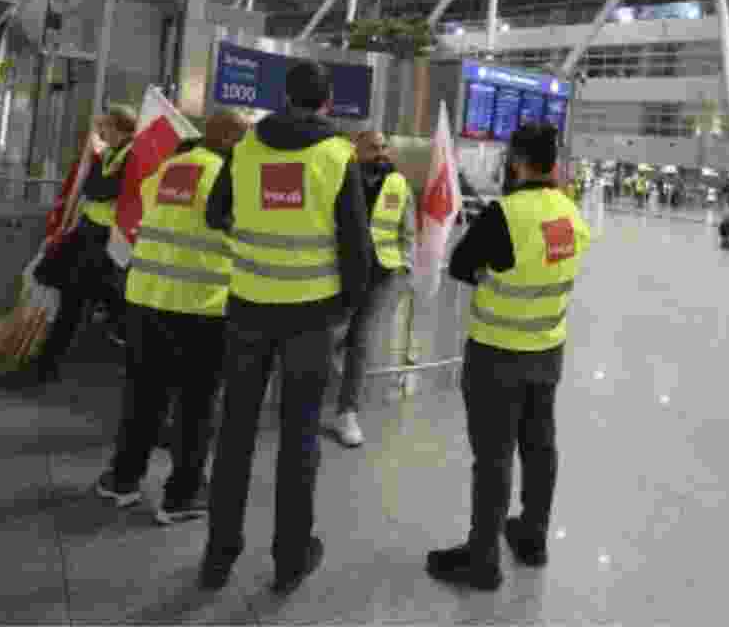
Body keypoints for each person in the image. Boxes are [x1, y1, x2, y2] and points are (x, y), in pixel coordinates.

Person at [198, 62, 372, 595]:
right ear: (326, 103)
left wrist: (257, 235)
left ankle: (218, 557)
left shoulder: (246, 148)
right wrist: (348, 306)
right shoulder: (336, 155)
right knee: (299, 440)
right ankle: (290, 559)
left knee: (235, 434)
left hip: (249, 306)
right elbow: (356, 247)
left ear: (284, 95)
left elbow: (214, 214)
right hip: (312, 318)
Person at [427, 122, 590, 591]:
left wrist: (495, 277)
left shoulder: (506, 213)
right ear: (554, 161)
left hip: (498, 352)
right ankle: (532, 538)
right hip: (547, 349)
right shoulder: (569, 212)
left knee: (494, 456)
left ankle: (482, 560)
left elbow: (460, 264)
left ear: (517, 161)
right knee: (540, 447)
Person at [93, 109, 249, 524]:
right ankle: (182, 496)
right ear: (230, 139)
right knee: (197, 406)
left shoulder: (166, 171)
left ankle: (122, 479)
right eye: (244, 136)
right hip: (203, 306)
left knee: (143, 398)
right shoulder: (228, 178)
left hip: (146, 300)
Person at [0, 105, 138, 392]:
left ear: (121, 128)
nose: (101, 133)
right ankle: (47, 365)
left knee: (81, 303)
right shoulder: (114, 153)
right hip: (91, 236)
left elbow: (101, 189)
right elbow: (95, 187)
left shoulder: (129, 155)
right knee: (68, 293)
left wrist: (94, 163)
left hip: (105, 242)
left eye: (106, 127)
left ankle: (47, 366)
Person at [331, 130, 414, 448]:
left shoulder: (398, 183)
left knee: (362, 341)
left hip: (382, 274)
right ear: (356, 150)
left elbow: (408, 229)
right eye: (372, 148)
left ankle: (347, 411)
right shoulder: (340, 178)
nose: (380, 153)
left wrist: (405, 264)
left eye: (383, 147)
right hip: (342, 272)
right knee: (332, 337)